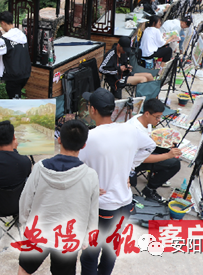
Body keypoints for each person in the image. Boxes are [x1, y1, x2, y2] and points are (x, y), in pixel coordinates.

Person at [78, 88, 155, 275]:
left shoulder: (89, 138)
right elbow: (150, 146)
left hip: (103, 206)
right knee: (110, 250)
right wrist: (130, 167)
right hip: (125, 204)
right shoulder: (129, 130)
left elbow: (76, 170)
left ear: (92, 109)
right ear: (113, 110)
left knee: (89, 254)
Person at [17, 120, 98, 275]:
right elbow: (93, 211)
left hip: (37, 230)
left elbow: (26, 198)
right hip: (69, 236)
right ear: (83, 145)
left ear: (59, 139)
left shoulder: (40, 167)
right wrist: (88, 235)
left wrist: (25, 222)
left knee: (24, 269)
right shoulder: (90, 175)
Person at [126, 99, 182, 203]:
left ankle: (155, 178)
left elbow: (149, 142)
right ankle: (149, 189)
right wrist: (167, 155)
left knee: (170, 151)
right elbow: (139, 158)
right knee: (174, 164)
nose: (159, 120)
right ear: (147, 113)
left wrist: (167, 145)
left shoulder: (142, 119)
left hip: (143, 151)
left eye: (160, 116)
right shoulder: (135, 131)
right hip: (133, 163)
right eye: (157, 117)